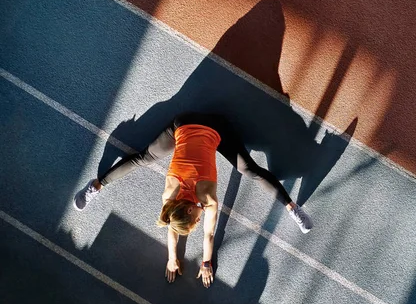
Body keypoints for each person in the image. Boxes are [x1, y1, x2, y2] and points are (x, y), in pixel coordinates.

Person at [73, 112, 313, 287]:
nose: (197, 226)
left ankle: (293, 207)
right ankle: (95, 186)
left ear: (189, 211)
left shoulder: (208, 198)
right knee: (142, 158)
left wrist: (206, 263)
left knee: (249, 170)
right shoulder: (170, 197)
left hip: (216, 125)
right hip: (181, 124)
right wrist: (172, 258)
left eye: (194, 224)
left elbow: (208, 235)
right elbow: (172, 226)